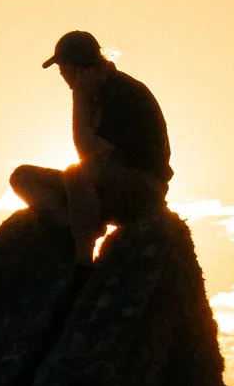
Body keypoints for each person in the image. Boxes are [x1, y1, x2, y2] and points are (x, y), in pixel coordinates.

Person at [9, 31, 170, 248]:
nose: (62, 76)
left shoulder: (122, 93)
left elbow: (87, 155)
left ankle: (82, 261)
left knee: (77, 175)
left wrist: (79, 100)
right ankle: (71, 225)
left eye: (61, 68)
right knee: (23, 177)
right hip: (101, 185)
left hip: (142, 187)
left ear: (74, 68)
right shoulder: (96, 92)